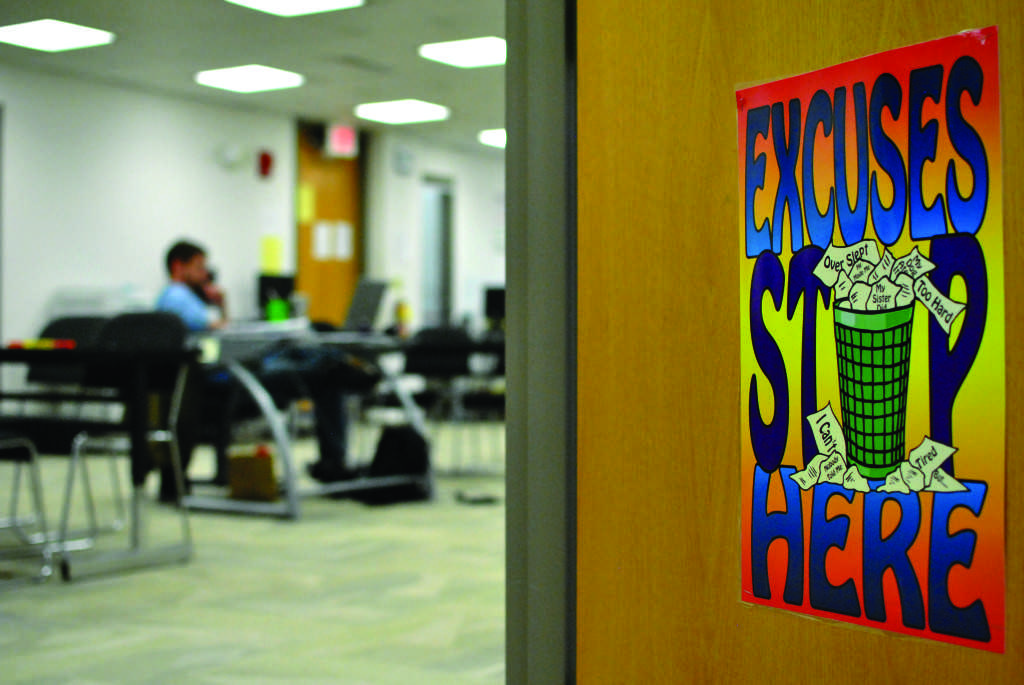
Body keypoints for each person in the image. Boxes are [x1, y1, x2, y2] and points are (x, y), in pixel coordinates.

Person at [156, 240, 371, 500]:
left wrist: (220, 304)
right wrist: (218, 302)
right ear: (178, 266)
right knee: (316, 369)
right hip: (227, 378)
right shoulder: (176, 296)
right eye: (200, 267)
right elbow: (220, 330)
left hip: (231, 371)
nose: (205, 274)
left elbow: (220, 329)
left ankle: (335, 366)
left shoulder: (186, 298)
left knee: (309, 363)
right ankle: (339, 367)